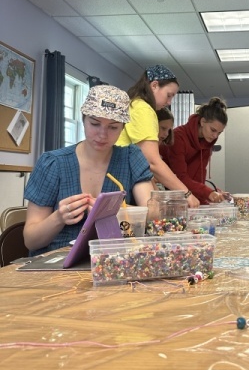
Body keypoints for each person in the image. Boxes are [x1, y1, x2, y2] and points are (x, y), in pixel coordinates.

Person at [24, 85, 154, 255]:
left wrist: (118, 213)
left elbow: (152, 217)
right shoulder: (53, 164)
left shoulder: (131, 158)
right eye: (95, 123)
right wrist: (58, 218)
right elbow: (31, 241)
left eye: (113, 127)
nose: (102, 134)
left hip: (114, 258)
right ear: (83, 119)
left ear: (123, 128)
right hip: (57, 261)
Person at [116, 64, 200, 208]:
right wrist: (186, 193)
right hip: (122, 179)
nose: (169, 102)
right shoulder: (143, 109)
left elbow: (144, 164)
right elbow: (152, 162)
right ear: (154, 86)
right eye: (169, 95)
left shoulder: (134, 104)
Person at [167, 97, 229, 204]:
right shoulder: (178, 137)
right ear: (203, 121)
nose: (215, 136)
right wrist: (208, 193)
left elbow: (199, 177)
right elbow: (180, 177)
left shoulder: (207, 141)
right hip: (169, 194)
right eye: (213, 130)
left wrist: (207, 198)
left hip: (186, 195)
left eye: (219, 133)